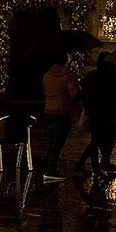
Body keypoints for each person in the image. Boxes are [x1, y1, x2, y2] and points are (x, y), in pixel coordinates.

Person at [76, 52, 116, 178]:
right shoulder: (114, 77)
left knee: (95, 139)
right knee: (109, 139)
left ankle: (94, 165)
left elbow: (84, 94)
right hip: (110, 113)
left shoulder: (90, 76)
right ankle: (102, 163)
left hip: (94, 112)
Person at [41, 51, 80, 182]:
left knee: (51, 140)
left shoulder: (47, 75)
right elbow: (74, 93)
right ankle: (50, 169)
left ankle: (48, 166)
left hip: (49, 110)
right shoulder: (69, 75)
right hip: (62, 111)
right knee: (58, 141)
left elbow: (45, 91)